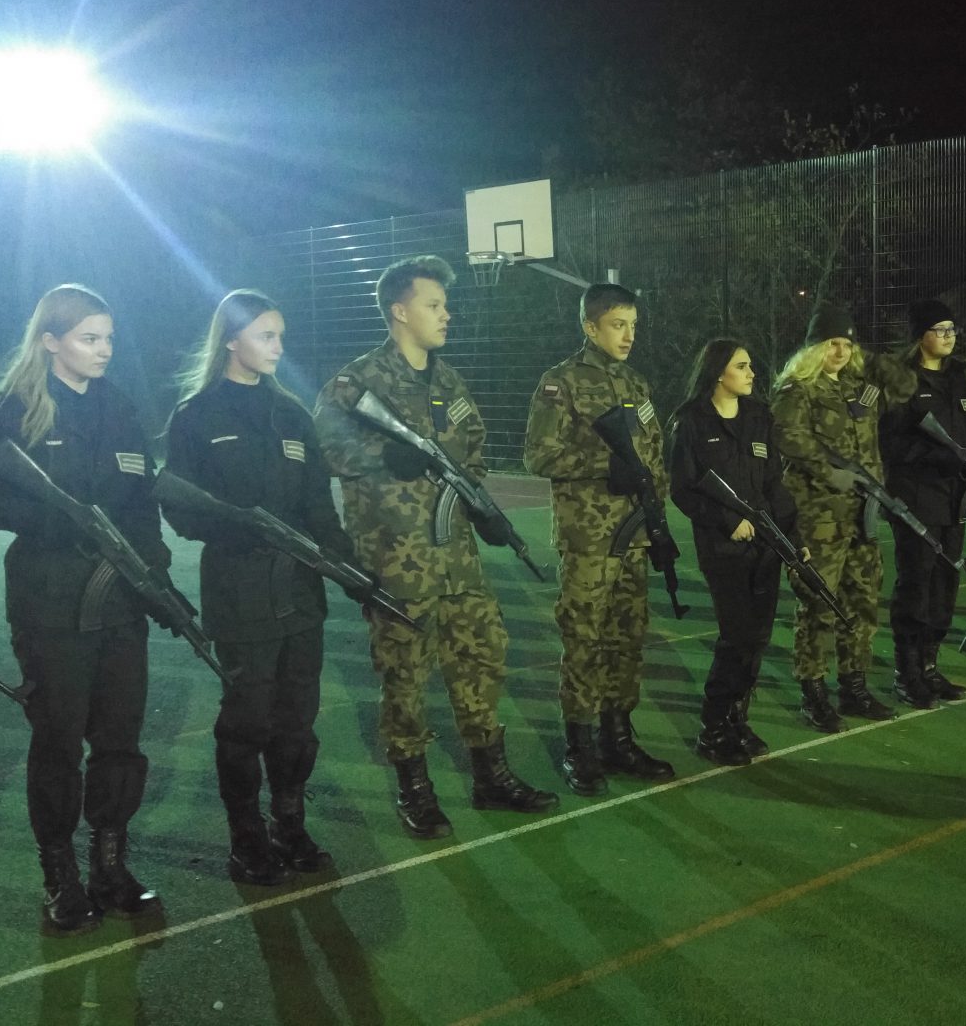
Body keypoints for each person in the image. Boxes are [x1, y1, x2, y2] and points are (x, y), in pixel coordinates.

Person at [315, 256, 557, 837]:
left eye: (445, 305)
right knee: (404, 675)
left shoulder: (450, 383)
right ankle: (415, 789)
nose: (446, 315)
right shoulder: (357, 383)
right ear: (400, 312)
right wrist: (384, 455)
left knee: (482, 658)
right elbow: (324, 445)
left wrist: (479, 505)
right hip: (396, 561)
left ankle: (491, 774)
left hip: (457, 561)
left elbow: (471, 454)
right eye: (434, 305)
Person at [0, 284, 165, 935]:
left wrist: (155, 575)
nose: (104, 350)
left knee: (120, 741)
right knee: (58, 743)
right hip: (49, 606)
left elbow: (142, 504)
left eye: (108, 338)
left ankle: (110, 864)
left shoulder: (119, 408)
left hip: (119, 602)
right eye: (89, 338)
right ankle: (60, 874)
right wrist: (43, 517)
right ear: (50, 341)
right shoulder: (13, 409)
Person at [162, 290, 352, 884]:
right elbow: (180, 509)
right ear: (231, 340)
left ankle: (289, 825)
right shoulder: (195, 416)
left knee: (297, 721)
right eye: (267, 336)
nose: (277, 347)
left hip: (299, 591)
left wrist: (351, 568)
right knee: (246, 722)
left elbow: (318, 507)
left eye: (280, 336)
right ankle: (246, 838)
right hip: (239, 590)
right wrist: (238, 527)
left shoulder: (291, 414)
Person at [524, 283, 676, 795]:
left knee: (627, 639)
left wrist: (656, 514)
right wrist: (605, 465)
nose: (628, 335)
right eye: (617, 325)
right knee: (584, 638)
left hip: (634, 533)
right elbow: (539, 455)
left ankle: (618, 737)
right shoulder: (561, 382)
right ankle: (581, 746)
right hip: (589, 537)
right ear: (591, 327)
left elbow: (653, 454)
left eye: (633, 325)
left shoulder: (636, 382)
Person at [770, 303, 916, 732]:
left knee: (863, 600)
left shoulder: (859, 387)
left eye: (846, 344)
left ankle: (854, 686)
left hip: (861, 515)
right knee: (819, 604)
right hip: (820, 516)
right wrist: (828, 471)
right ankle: (813, 692)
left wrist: (865, 356)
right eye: (831, 343)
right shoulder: (798, 390)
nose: (839, 351)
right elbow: (786, 436)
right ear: (813, 347)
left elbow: (906, 385)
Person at [668, 339, 798, 765]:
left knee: (757, 639)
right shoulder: (690, 421)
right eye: (742, 366)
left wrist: (793, 536)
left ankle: (737, 719)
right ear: (718, 372)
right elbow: (683, 489)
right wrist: (727, 521)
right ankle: (713, 726)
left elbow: (774, 483)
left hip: (766, 544)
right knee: (736, 637)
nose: (751, 373)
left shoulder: (759, 417)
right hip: (722, 548)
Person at [879, 299, 966, 707]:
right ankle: (906, 673)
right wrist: (936, 456)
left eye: (952, 329)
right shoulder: (903, 382)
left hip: (955, 502)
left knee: (945, 586)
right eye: (940, 329)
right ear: (920, 335)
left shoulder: (960, 382)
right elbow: (890, 443)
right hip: (916, 499)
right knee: (915, 585)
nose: (948, 336)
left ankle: (929, 666)